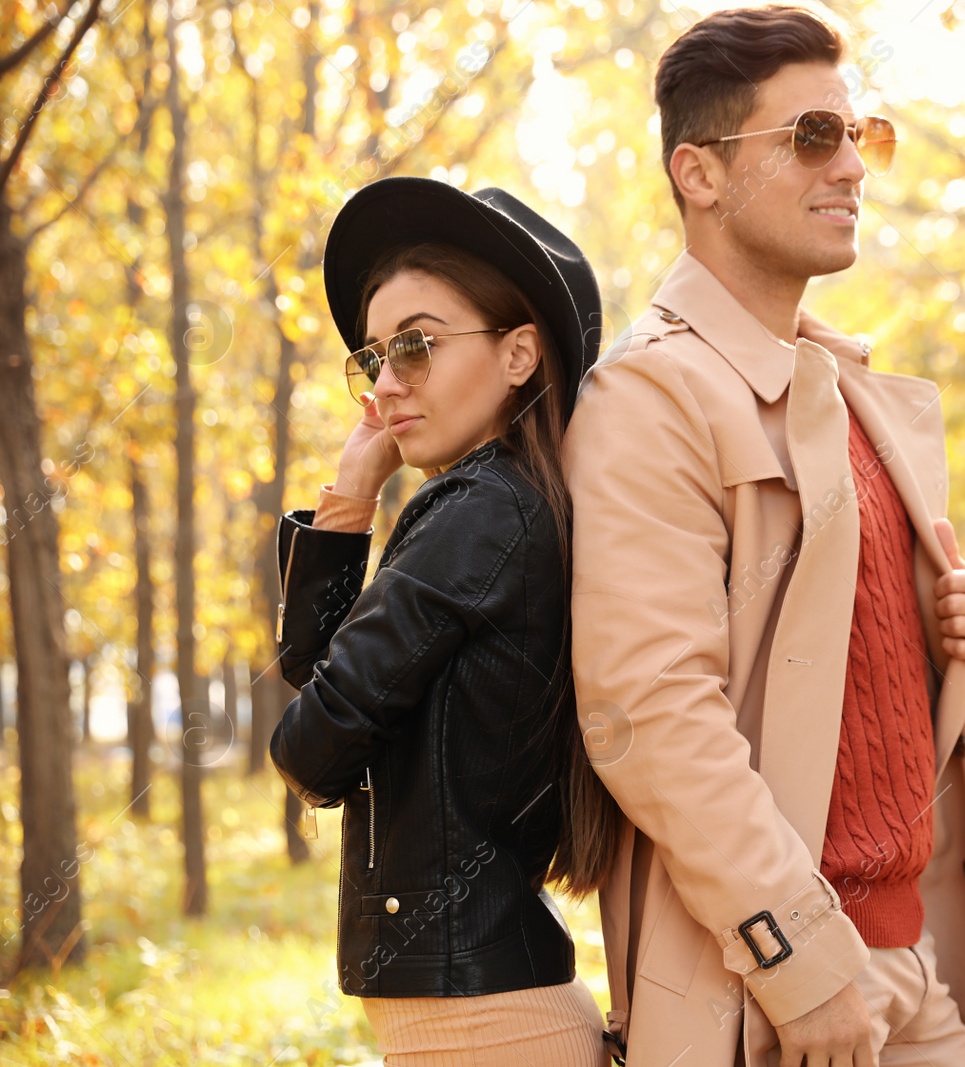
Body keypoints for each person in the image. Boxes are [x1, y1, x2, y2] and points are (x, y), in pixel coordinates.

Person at [563, 6, 965, 1066]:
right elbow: (649, 710)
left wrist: (949, 630)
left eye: (860, 134)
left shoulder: (848, 391)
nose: (853, 167)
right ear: (699, 174)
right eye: (812, 137)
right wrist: (804, 959)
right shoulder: (653, 395)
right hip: (776, 988)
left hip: (917, 963)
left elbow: (833, 675)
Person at [269, 175, 619, 1067]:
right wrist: (349, 501)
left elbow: (310, 747)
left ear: (518, 355)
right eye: (376, 355)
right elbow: (324, 681)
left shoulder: (479, 512)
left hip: (484, 1027)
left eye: (418, 346)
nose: (387, 384)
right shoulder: (508, 505)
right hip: (481, 1014)